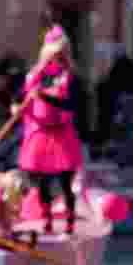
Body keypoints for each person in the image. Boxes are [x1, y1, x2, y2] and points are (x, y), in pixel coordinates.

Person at [18, 25, 84, 235]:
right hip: (41, 134)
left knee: (66, 182)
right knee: (43, 182)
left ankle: (70, 222)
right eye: (55, 54)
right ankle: (46, 221)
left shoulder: (71, 78)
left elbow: (71, 105)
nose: (59, 58)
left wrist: (45, 97)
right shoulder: (35, 76)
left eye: (62, 54)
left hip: (62, 134)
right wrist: (16, 107)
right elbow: (23, 98)